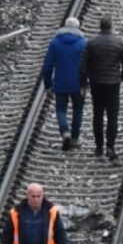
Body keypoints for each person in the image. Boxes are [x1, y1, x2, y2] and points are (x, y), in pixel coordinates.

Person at [80, 15, 123, 160]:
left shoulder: (91, 43)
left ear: (100, 26)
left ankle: (99, 147)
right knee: (112, 116)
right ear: (111, 26)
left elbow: (83, 66)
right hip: (113, 84)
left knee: (97, 115)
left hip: (96, 83)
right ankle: (110, 147)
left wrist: (83, 83)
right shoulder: (119, 43)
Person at [41, 17, 87, 151]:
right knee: (78, 110)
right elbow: (87, 66)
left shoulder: (55, 43)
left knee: (61, 109)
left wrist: (48, 84)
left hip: (60, 82)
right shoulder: (83, 43)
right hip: (78, 83)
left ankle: (64, 131)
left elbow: (48, 65)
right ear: (78, 28)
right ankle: (75, 139)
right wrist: (86, 83)